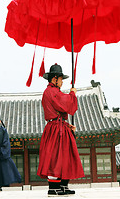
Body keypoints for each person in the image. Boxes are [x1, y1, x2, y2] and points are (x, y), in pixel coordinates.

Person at [37, 63, 85, 196]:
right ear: (55, 79)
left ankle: (63, 185)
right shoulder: (51, 91)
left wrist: (67, 124)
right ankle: (54, 187)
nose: (62, 82)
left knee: (65, 157)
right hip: (56, 129)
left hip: (60, 126)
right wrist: (72, 94)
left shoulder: (53, 91)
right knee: (56, 157)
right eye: (61, 79)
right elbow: (65, 104)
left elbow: (62, 109)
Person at [0, 111, 21, 191]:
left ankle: (1, 186)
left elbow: (6, 143)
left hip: (1, 154)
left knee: (3, 171)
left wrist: (0, 151)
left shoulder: (4, 131)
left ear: (0, 121)